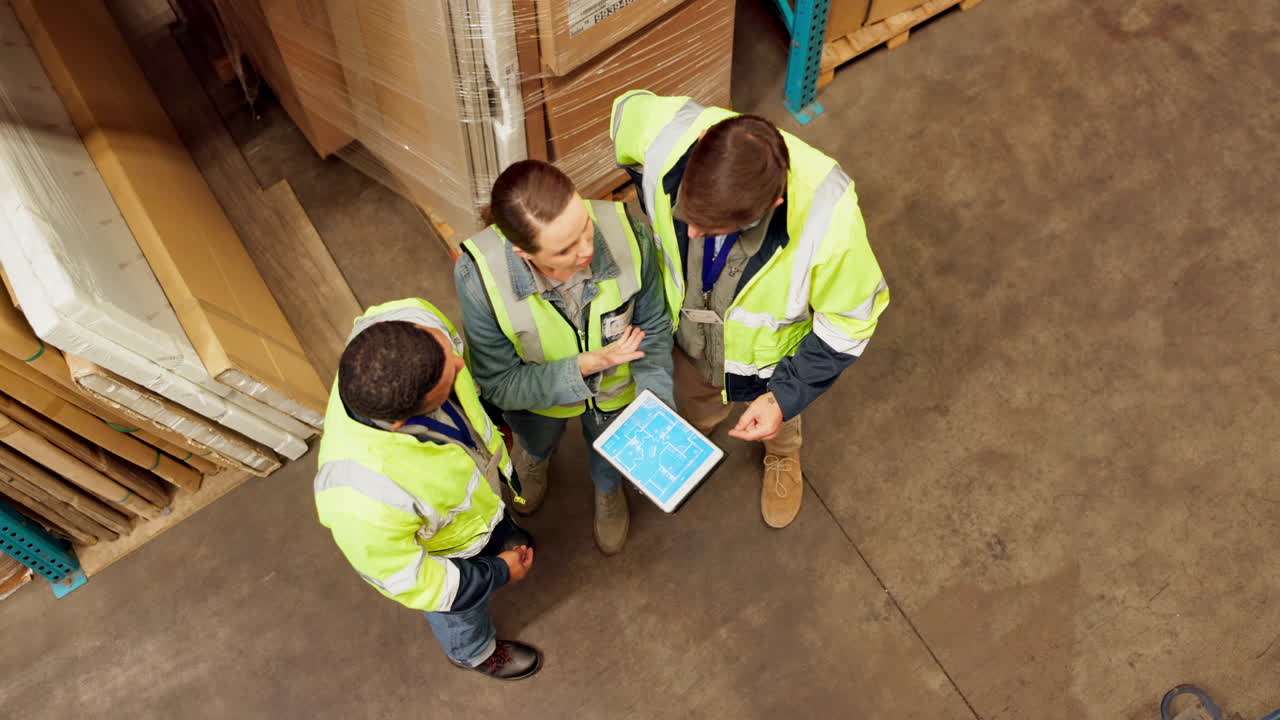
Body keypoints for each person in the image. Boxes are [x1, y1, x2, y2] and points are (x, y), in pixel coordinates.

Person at [610, 91, 890, 529]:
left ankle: (782, 453)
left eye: (715, 228)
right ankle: (696, 431)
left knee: (779, 421)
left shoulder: (829, 222)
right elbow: (624, 116)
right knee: (695, 402)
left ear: (771, 208)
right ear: (701, 142)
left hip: (772, 362)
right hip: (689, 340)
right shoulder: (664, 133)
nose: (695, 233)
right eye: (688, 216)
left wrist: (783, 395)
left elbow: (848, 326)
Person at [454, 159, 674, 555]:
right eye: (566, 248)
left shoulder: (629, 234)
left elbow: (654, 327)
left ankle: (607, 487)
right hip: (537, 404)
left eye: (585, 226)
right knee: (535, 438)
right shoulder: (480, 278)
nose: (588, 249)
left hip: (615, 395)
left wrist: (655, 411)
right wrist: (585, 366)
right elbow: (499, 383)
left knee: (608, 447)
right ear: (523, 253)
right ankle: (537, 458)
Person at [314, 298, 541, 680]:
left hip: (481, 507)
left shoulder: (410, 319)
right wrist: (496, 573)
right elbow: (417, 581)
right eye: (449, 377)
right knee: (459, 613)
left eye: (445, 347)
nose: (458, 361)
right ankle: (473, 652)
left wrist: (490, 423)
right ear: (403, 422)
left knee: (501, 532)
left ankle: (497, 535)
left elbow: (455, 367)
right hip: (449, 555)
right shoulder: (360, 498)